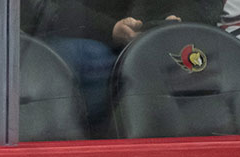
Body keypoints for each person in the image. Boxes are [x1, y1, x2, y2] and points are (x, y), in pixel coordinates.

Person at [23, 1, 213, 136]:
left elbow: (203, 5)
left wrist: (178, 20)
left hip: (161, 38)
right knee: (90, 57)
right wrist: (110, 29)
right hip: (82, 40)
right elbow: (44, 6)